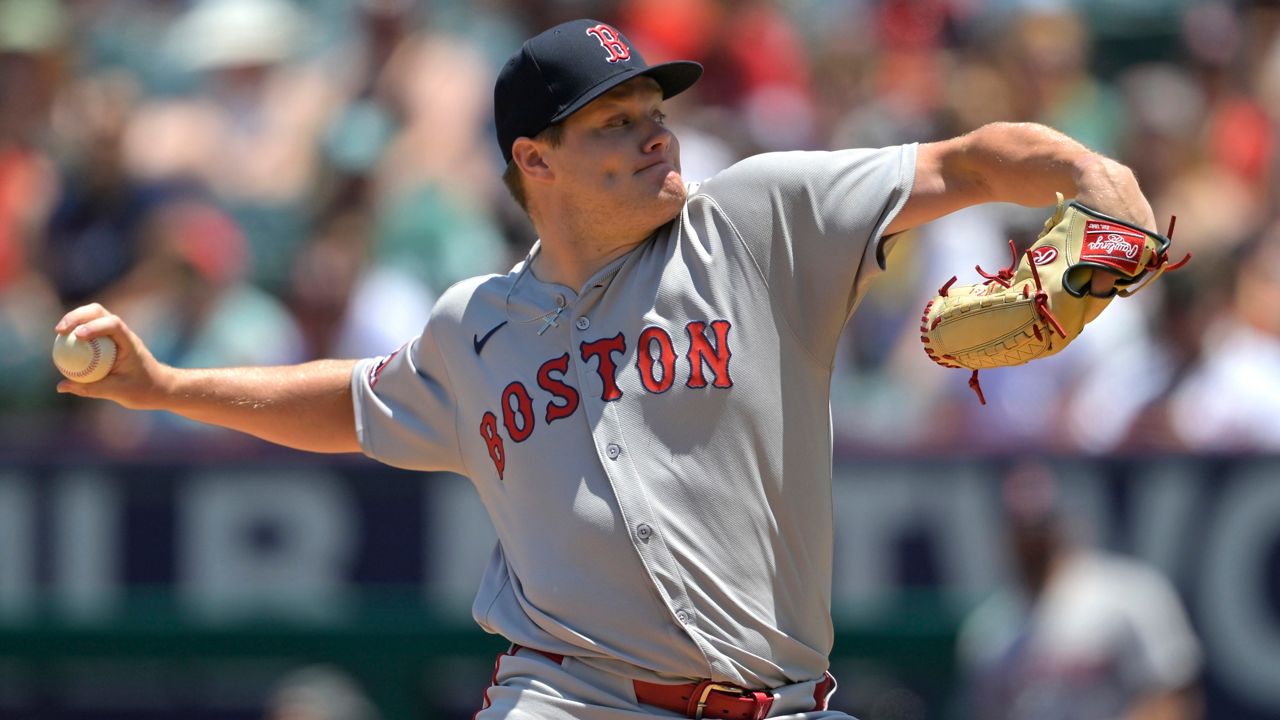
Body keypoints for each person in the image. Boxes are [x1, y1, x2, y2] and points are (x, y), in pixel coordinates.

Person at [56, 18, 1162, 720]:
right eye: (615, 123)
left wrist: (1086, 172)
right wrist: (164, 390)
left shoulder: (757, 218)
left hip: (778, 702)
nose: (656, 135)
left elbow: (963, 161)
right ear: (532, 162)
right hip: (571, 697)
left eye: (654, 111)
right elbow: (345, 402)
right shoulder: (473, 327)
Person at [956, 462, 1203, 720]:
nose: (1032, 543)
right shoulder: (989, 630)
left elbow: (1173, 698)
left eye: (1040, 528)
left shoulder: (1130, 592)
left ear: (1062, 526)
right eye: (1021, 529)